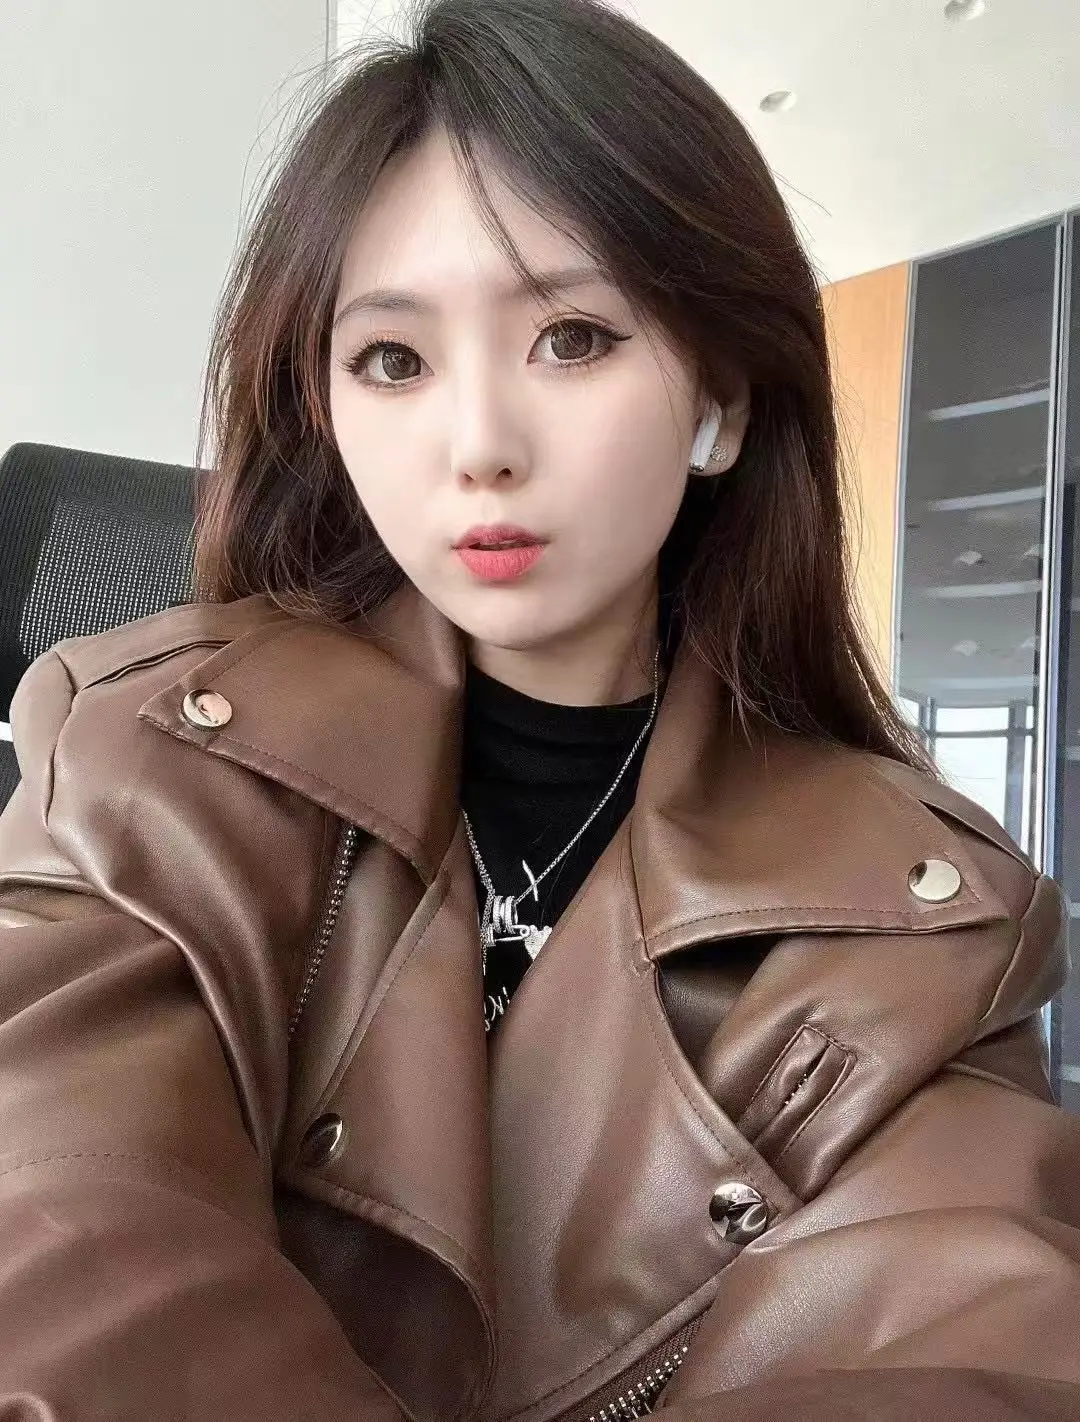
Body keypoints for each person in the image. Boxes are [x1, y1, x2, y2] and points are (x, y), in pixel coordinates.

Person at [1, 0, 1078, 1416]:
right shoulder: (142, 755)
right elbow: (57, 1230)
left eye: (571, 338)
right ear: (325, 405)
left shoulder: (922, 928)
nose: (480, 445)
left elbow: (972, 1350)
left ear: (720, 405)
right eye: (394, 360)